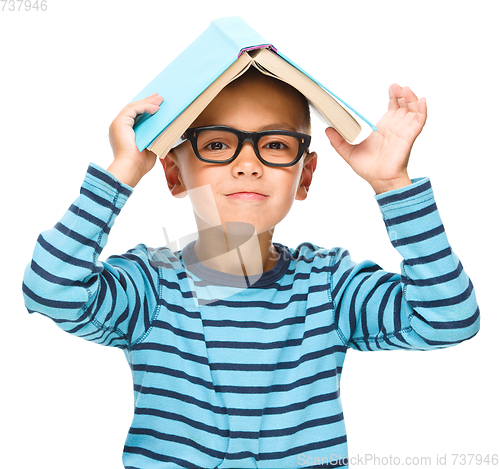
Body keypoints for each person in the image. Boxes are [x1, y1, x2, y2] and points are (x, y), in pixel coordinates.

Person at [22, 66, 479, 468]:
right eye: (218, 143)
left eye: (276, 145)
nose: (247, 165)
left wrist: (392, 184)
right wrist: (121, 170)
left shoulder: (329, 285)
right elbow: (50, 288)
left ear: (305, 176)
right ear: (174, 174)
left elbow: (448, 319)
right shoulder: (151, 284)